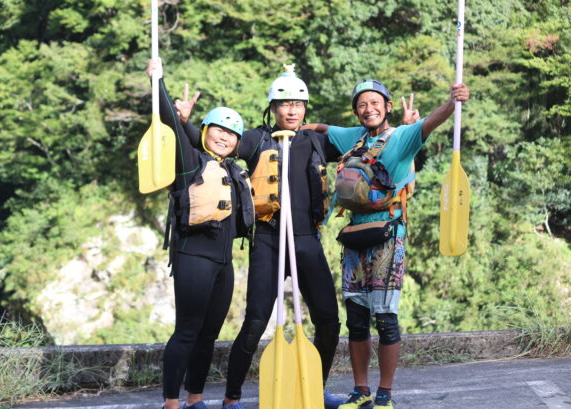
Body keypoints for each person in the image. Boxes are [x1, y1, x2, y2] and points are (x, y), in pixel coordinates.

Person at [178, 64, 345, 409]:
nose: (292, 110)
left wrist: (327, 126)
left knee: (329, 320)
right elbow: (212, 144)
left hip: (305, 241)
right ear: (273, 108)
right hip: (268, 241)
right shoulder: (257, 140)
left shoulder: (317, 140)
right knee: (255, 322)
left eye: (299, 104)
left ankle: (315, 389)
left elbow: (366, 137)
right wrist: (184, 122)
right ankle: (231, 398)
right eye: (285, 104)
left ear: (305, 109)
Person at [304, 79, 470, 409]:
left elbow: (431, 121)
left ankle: (384, 394)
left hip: (388, 236)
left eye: (375, 103)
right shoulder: (352, 137)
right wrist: (296, 127)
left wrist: (453, 103)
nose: (369, 109)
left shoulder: (403, 137)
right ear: (356, 111)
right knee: (355, 318)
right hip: (354, 236)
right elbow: (321, 127)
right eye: (362, 105)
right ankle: (360, 390)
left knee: (385, 317)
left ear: (388, 107)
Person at [146, 58, 255, 409]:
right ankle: (171, 402)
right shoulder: (190, 160)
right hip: (194, 257)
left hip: (224, 263)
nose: (223, 136)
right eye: (217, 129)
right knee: (188, 331)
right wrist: (157, 81)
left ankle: (195, 399)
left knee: (209, 334)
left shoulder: (232, 170)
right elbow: (168, 123)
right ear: (205, 131)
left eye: (231, 133)